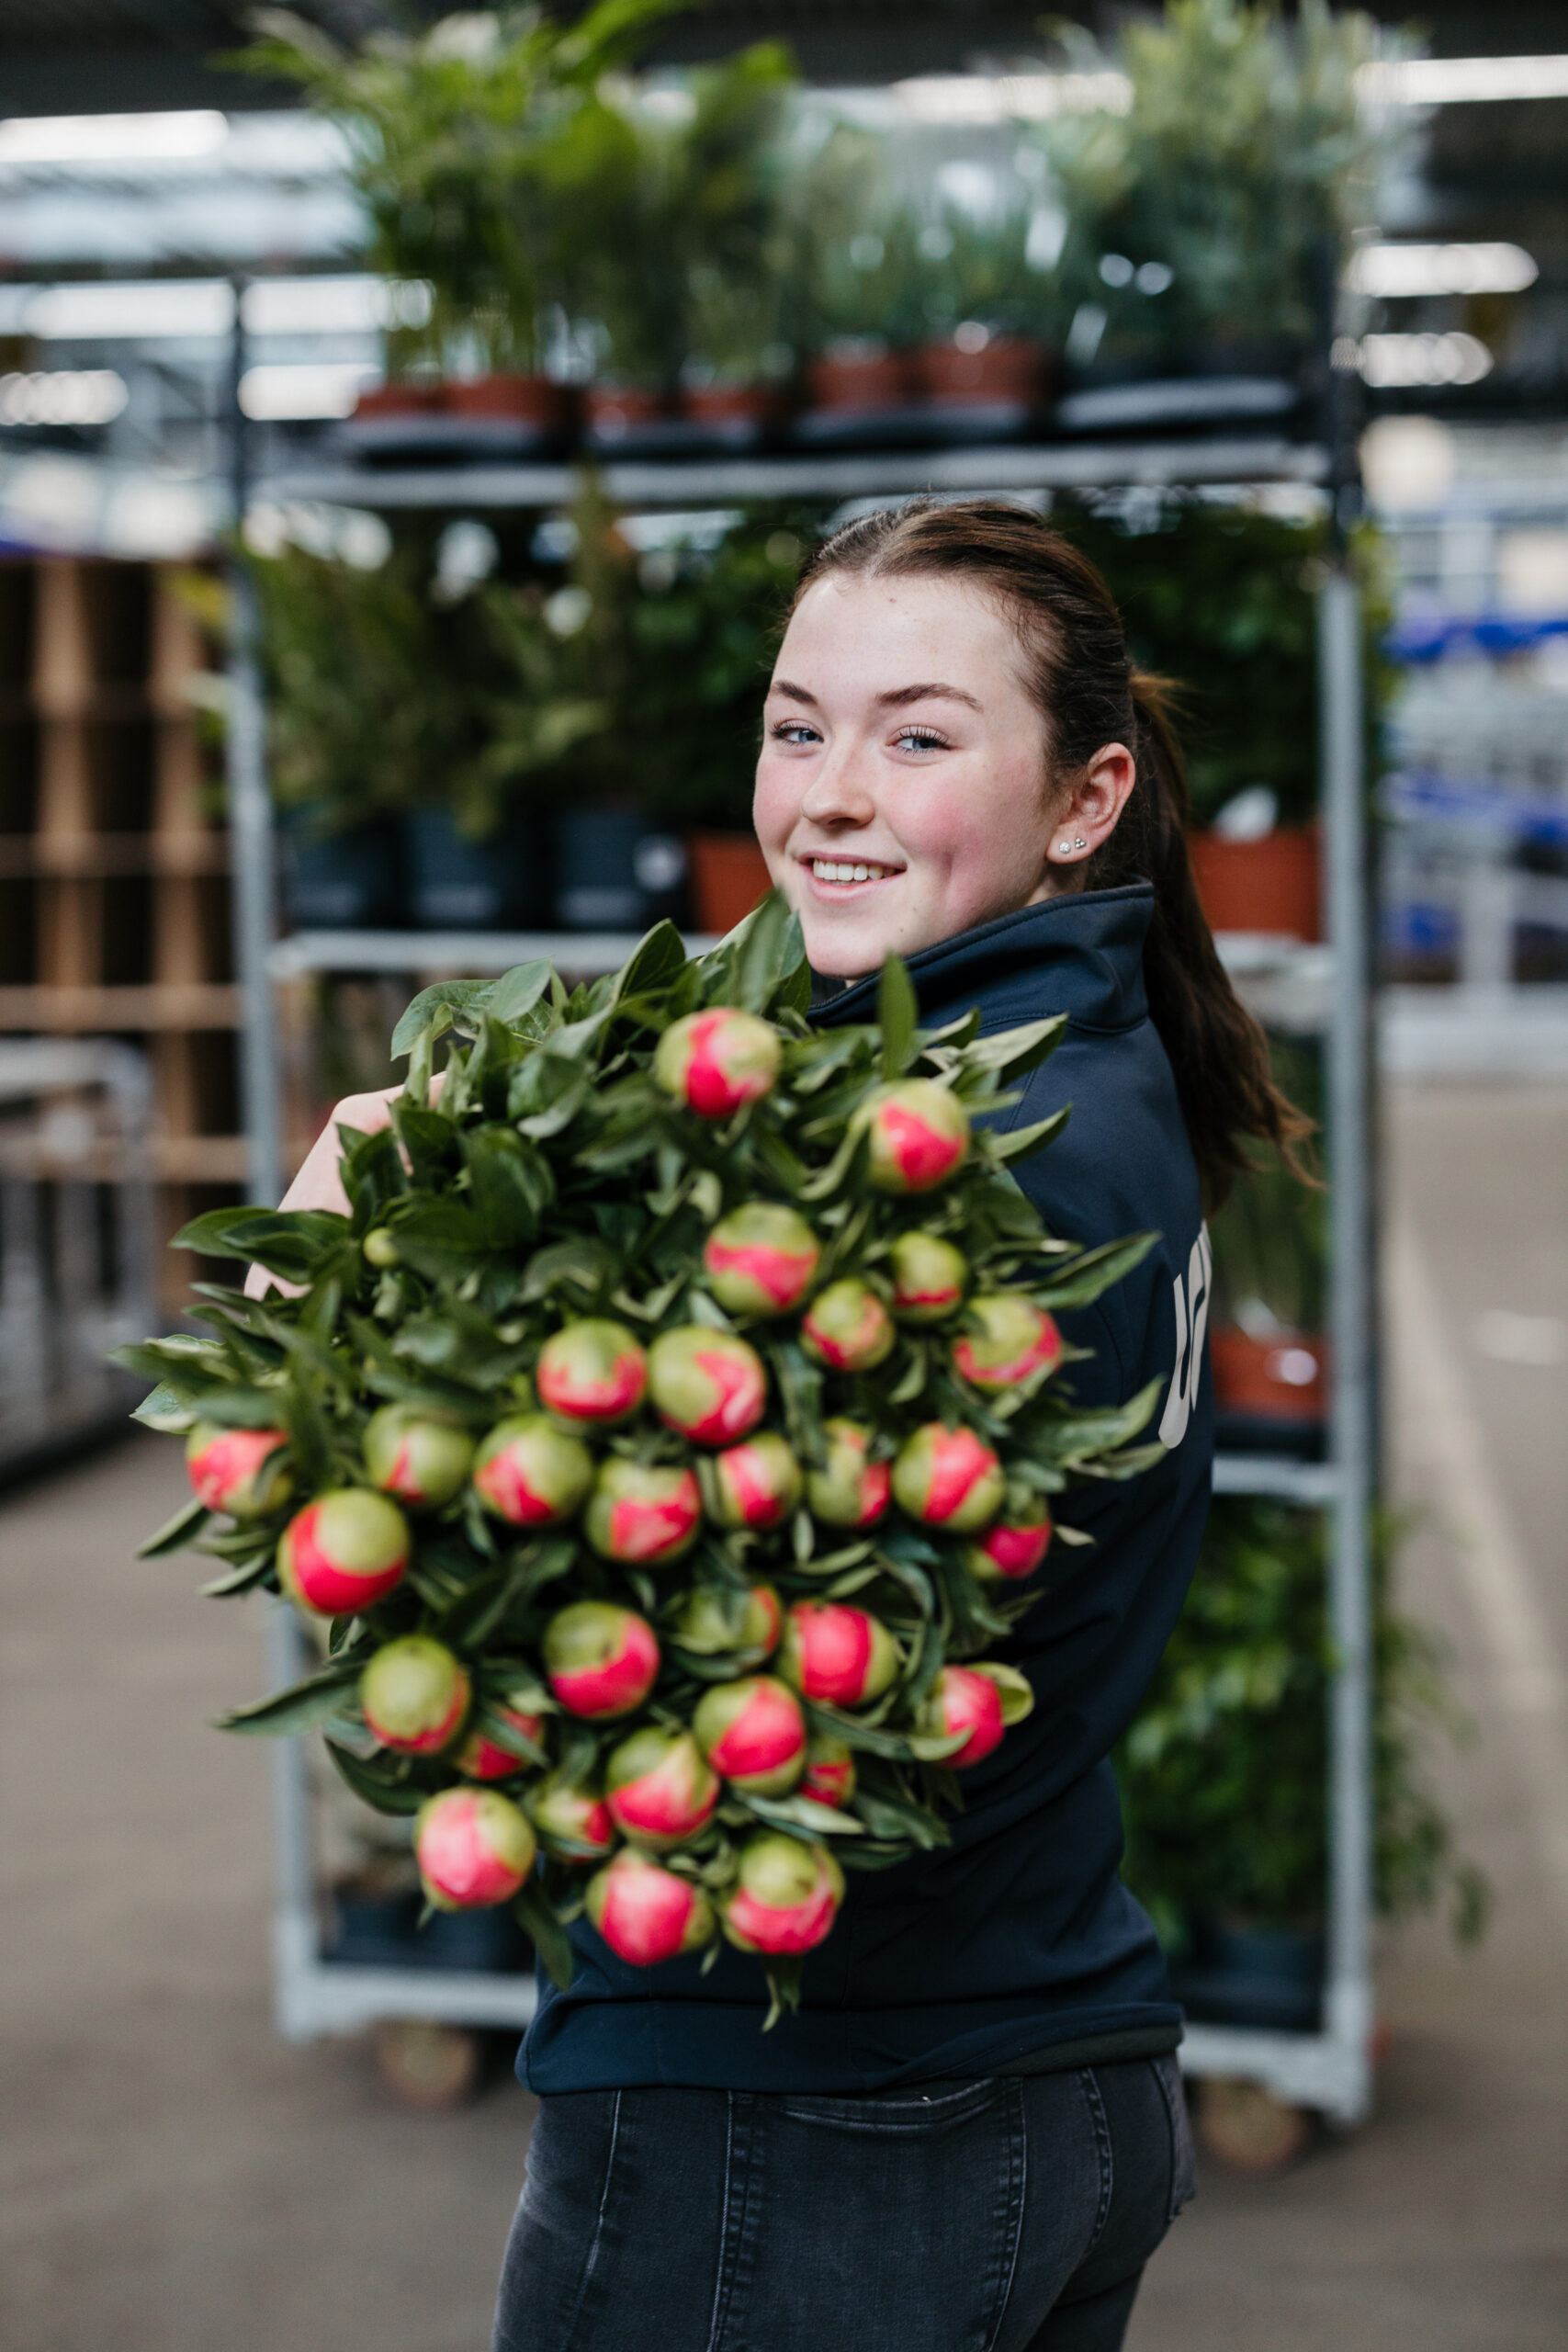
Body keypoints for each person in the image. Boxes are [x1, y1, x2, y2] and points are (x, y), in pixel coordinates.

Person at [277, 501, 1306, 2351]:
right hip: (1037, 2039)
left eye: (915, 737)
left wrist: (342, 1312)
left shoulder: (967, 1172)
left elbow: (645, 1637)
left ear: (1083, 800)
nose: (826, 790)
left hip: (820, 2125)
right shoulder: (1067, 1074)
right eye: (793, 724)